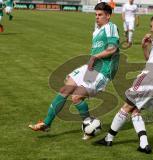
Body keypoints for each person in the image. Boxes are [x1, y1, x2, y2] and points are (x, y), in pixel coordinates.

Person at [95, 12, 153, 154]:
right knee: (135, 109)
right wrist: (144, 47)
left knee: (127, 105)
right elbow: (150, 60)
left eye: (151, 26)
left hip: (152, 76)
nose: (151, 29)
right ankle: (143, 144)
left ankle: (109, 138)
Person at [29, 2, 120, 140]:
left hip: (103, 71)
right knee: (65, 89)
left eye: (100, 15)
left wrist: (95, 57)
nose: (97, 17)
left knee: (76, 97)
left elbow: (112, 48)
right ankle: (46, 123)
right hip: (92, 68)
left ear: (108, 16)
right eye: (95, 14)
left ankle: (89, 125)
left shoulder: (111, 27)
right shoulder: (97, 30)